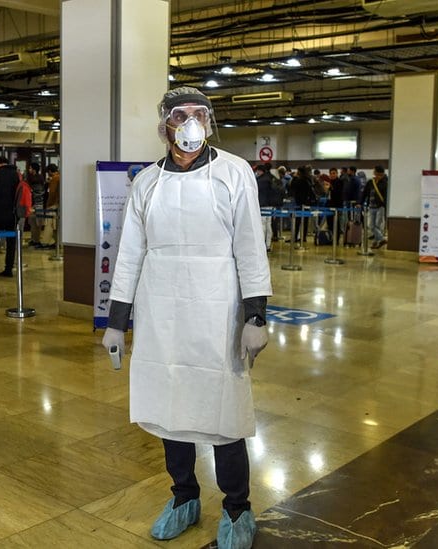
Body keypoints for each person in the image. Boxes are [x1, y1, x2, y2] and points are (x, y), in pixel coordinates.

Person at [101, 86, 271, 549]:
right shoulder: (146, 183)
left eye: (201, 114)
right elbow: (130, 255)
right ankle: (184, 498)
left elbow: (250, 246)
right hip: (160, 313)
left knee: (222, 412)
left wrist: (255, 315)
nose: (192, 122)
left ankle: (237, 508)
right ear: (165, 125)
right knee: (168, 408)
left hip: (218, 309)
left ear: (211, 122)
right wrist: (116, 320)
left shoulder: (234, 173)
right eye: (182, 114)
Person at [363, 165, 389, 249]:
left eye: (374, 171)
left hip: (380, 207)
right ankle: (382, 239)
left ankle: (376, 242)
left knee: (377, 226)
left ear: (377, 172)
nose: (373, 172)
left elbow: (386, 196)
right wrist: (360, 202)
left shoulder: (385, 182)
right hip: (371, 206)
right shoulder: (371, 182)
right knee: (371, 225)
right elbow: (365, 193)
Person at [25, 163, 46, 247]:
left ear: (34, 169)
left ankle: (36, 240)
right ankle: (34, 239)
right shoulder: (39, 178)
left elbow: (37, 194)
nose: (29, 170)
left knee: (36, 224)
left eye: (30, 168)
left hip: (36, 205)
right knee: (33, 224)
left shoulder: (36, 180)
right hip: (36, 205)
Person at [42, 163, 60, 248]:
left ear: (49, 171)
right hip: (59, 204)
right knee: (56, 224)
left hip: (53, 205)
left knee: (49, 224)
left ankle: (46, 242)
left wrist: (48, 205)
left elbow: (52, 193)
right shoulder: (60, 177)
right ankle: (57, 242)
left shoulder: (54, 179)